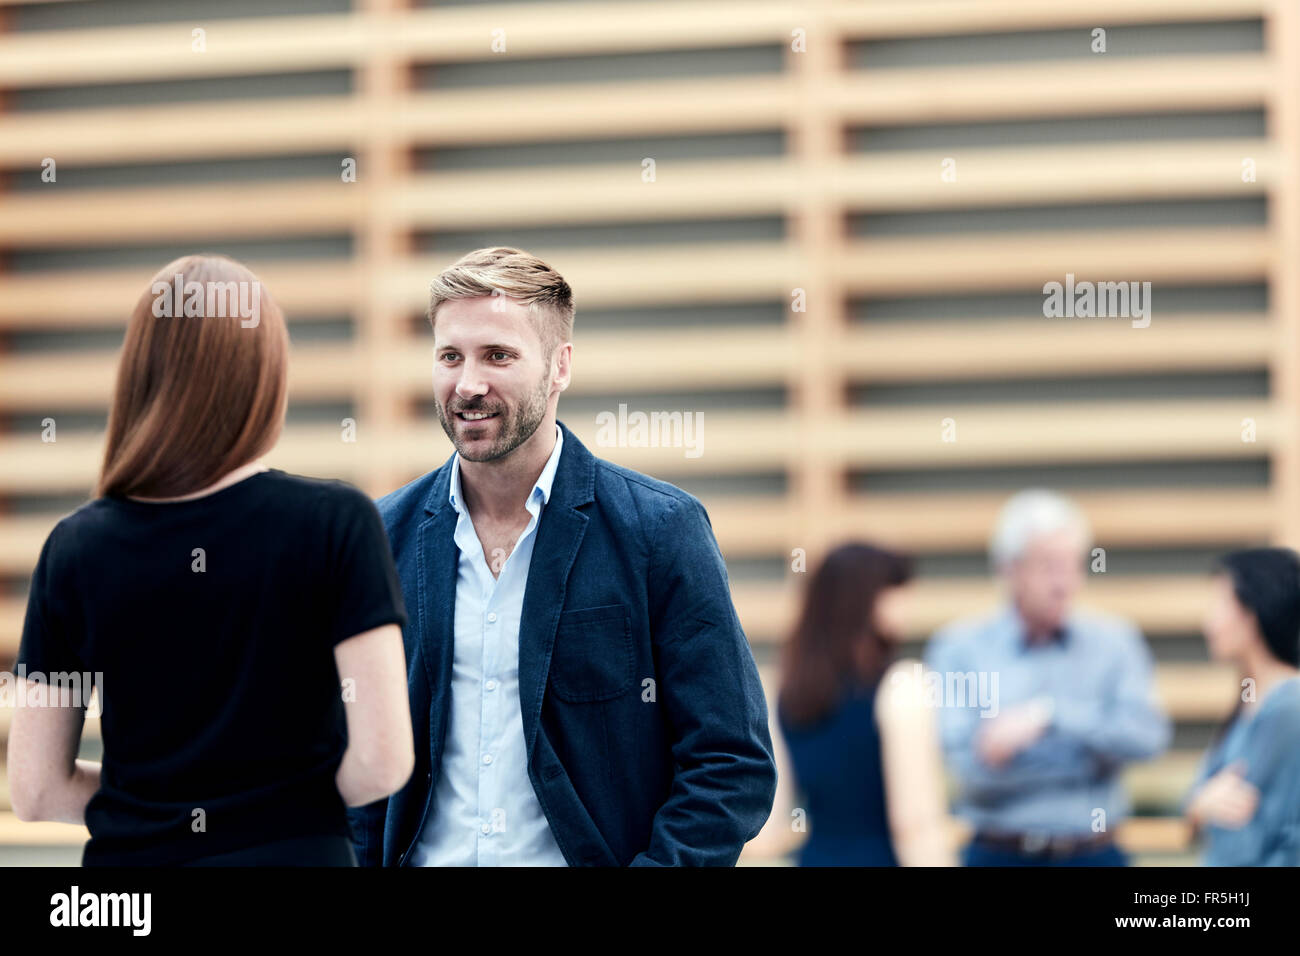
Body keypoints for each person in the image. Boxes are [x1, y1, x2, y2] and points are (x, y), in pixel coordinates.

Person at [346, 246, 776, 866]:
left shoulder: (659, 530)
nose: (468, 384)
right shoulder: (383, 537)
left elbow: (731, 761)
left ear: (560, 367)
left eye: (498, 355)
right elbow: (351, 759)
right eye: (450, 356)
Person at [6, 253, 415, 866]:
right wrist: (277, 805)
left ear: (141, 375)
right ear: (266, 377)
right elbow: (383, 759)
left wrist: (153, 807)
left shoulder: (74, 549)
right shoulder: (336, 523)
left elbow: (36, 790)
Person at [924, 489, 1170, 866]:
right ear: (1010, 570)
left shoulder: (1115, 642)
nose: (1064, 583)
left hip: (1093, 853)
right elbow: (973, 776)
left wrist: (1048, 718)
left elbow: (1147, 739)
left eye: (1073, 566)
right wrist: (1091, 758)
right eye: (1049, 566)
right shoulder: (960, 650)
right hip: (998, 854)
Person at [777, 543, 955, 866]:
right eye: (898, 591)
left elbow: (774, 817)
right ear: (868, 599)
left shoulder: (786, 693)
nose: (907, 605)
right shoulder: (902, 686)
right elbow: (915, 825)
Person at [1186, 547, 1300, 865]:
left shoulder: (1288, 709)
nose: (1209, 622)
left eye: (1220, 605)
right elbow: (1196, 802)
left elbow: (1278, 839)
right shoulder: (1250, 700)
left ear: (1253, 614)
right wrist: (1201, 805)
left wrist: (1202, 805)